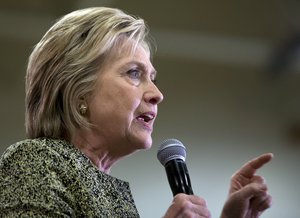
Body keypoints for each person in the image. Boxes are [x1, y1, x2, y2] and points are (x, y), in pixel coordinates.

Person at [0, 7, 272, 218]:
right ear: (78, 89)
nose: (157, 93)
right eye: (134, 73)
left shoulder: (109, 193)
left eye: (152, 77)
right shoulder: (35, 161)